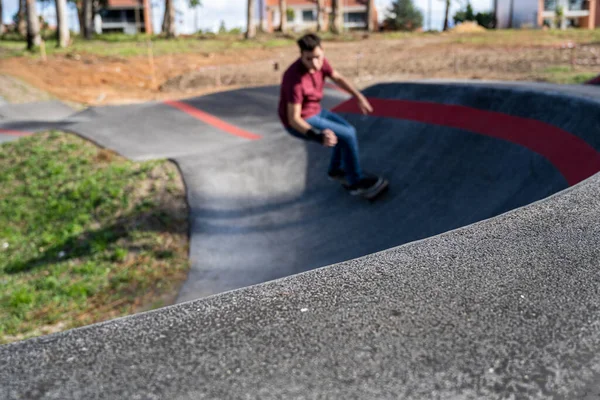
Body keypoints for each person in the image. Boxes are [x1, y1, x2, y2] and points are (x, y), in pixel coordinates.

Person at [278, 33, 386, 197]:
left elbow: (337, 78)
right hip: (301, 121)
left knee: (346, 130)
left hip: (316, 110)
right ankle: (356, 182)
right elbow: (294, 119)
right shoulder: (294, 79)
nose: (314, 64)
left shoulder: (322, 63)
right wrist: (318, 135)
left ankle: (336, 170)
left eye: (317, 57)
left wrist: (359, 96)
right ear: (301, 56)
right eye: (308, 59)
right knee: (349, 135)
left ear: (322, 51)